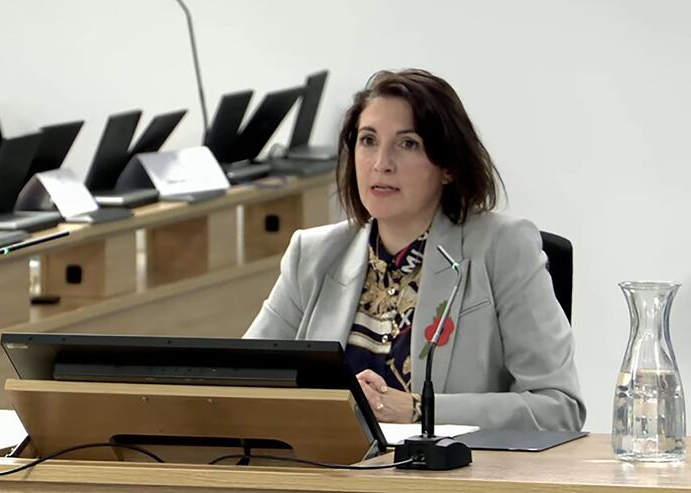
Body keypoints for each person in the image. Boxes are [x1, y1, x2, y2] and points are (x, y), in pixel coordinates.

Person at [244, 69, 585, 431]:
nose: (381, 163)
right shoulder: (311, 255)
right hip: (331, 472)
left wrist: (421, 411)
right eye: (367, 140)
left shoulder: (503, 248)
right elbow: (242, 382)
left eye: (408, 144)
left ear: (448, 167)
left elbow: (557, 408)